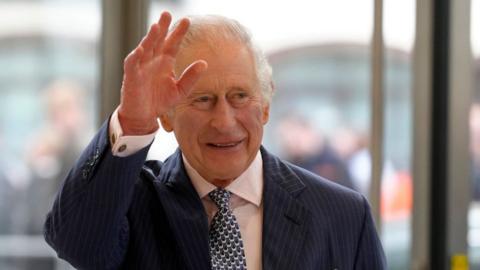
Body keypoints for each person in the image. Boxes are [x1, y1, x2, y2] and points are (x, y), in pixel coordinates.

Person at [44, 11, 386, 270]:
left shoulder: (343, 216)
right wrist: (132, 121)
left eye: (239, 96)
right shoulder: (135, 205)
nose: (224, 121)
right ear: (166, 115)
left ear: (266, 106)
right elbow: (75, 242)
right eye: (202, 99)